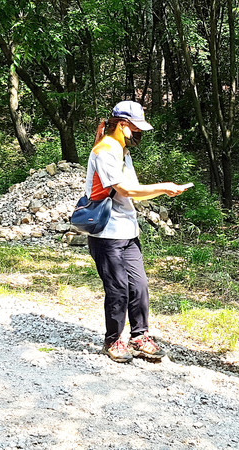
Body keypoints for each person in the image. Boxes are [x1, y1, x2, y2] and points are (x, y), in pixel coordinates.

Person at [85, 100, 189, 363]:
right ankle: (114, 339)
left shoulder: (122, 151)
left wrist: (166, 189)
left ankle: (139, 336)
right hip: (107, 233)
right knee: (118, 288)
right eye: (136, 128)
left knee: (139, 285)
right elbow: (125, 190)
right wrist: (164, 185)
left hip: (127, 231)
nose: (138, 134)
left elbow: (136, 192)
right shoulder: (106, 150)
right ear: (122, 125)